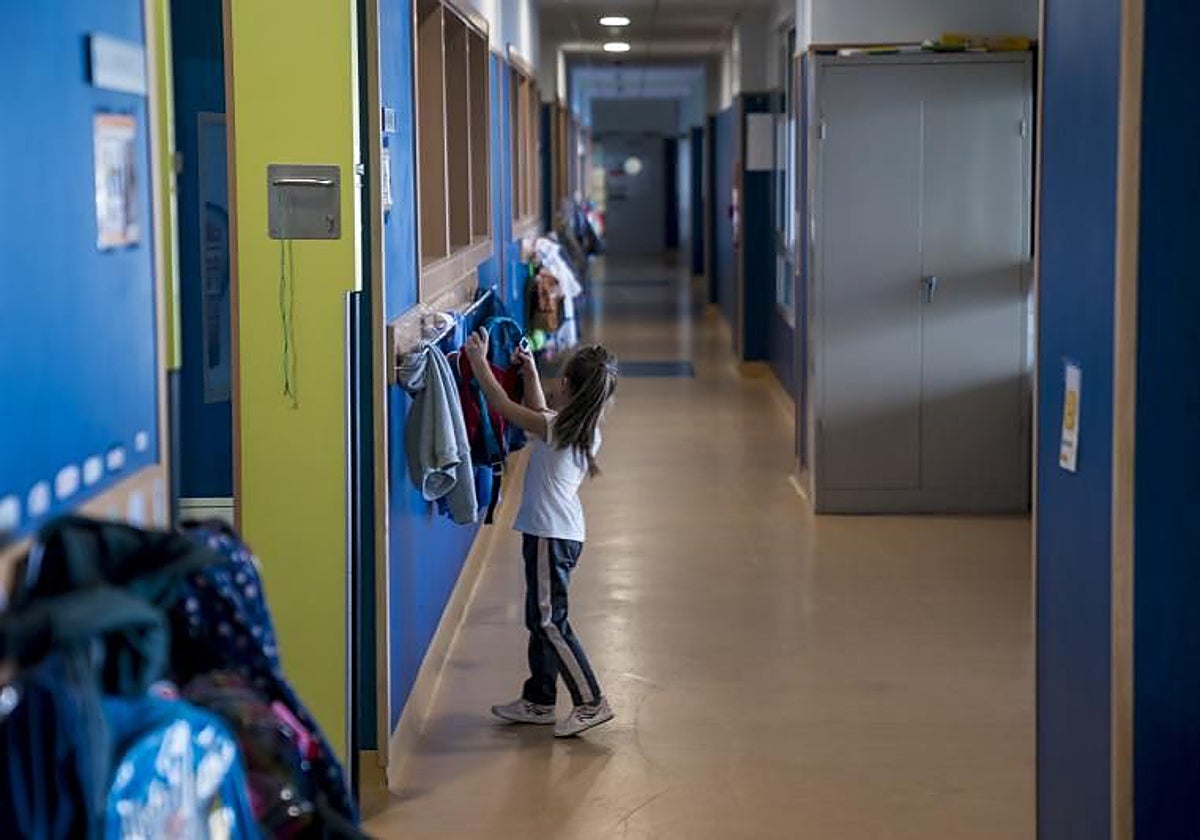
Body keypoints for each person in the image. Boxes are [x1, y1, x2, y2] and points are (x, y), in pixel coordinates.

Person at [463, 329, 618, 738]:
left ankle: (591, 701)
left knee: (550, 621)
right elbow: (538, 411)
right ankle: (540, 700)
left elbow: (503, 405)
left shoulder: (564, 429)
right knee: (539, 618)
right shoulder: (575, 425)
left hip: (553, 536)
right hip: (551, 533)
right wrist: (529, 369)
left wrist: (478, 361)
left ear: (568, 385)